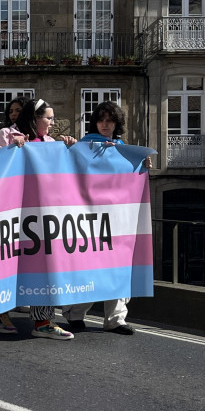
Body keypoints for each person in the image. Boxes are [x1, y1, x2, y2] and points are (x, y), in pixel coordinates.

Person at [0, 98, 77, 341]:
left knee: (44, 266)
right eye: (48, 117)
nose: (52, 122)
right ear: (35, 118)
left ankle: (44, 321)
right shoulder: (7, 134)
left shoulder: (50, 143)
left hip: (40, 217)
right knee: (8, 264)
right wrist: (10, 149)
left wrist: (69, 149)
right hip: (11, 214)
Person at [62, 101, 139, 336]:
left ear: (116, 123)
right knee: (90, 267)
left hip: (117, 218)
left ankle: (115, 319)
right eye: (101, 120)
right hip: (90, 217)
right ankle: (75, 313)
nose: (105, 124)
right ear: (95, 122)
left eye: (110, 120)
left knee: (118, 267)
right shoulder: (84, 145)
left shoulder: (123, 148)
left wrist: (142, 166)